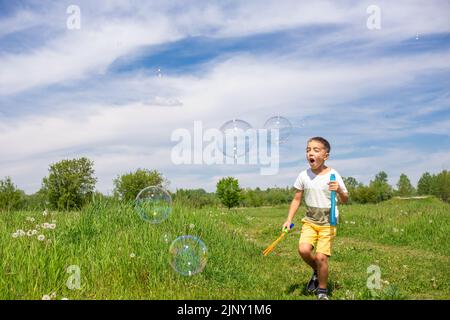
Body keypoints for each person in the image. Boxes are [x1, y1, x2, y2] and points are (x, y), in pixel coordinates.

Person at [282, 137, 348, 300]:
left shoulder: (333, 174)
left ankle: (322, 291)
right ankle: (318, 271)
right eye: (308, 150)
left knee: (321, 257)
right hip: (310, 221)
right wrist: (289, 219)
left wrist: (339, 190)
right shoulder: (303, 175)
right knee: (303, 250)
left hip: (328, 222)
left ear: (326, 156)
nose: (310, 153)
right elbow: (297, 199)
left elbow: (345, 199)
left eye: (316, 150)